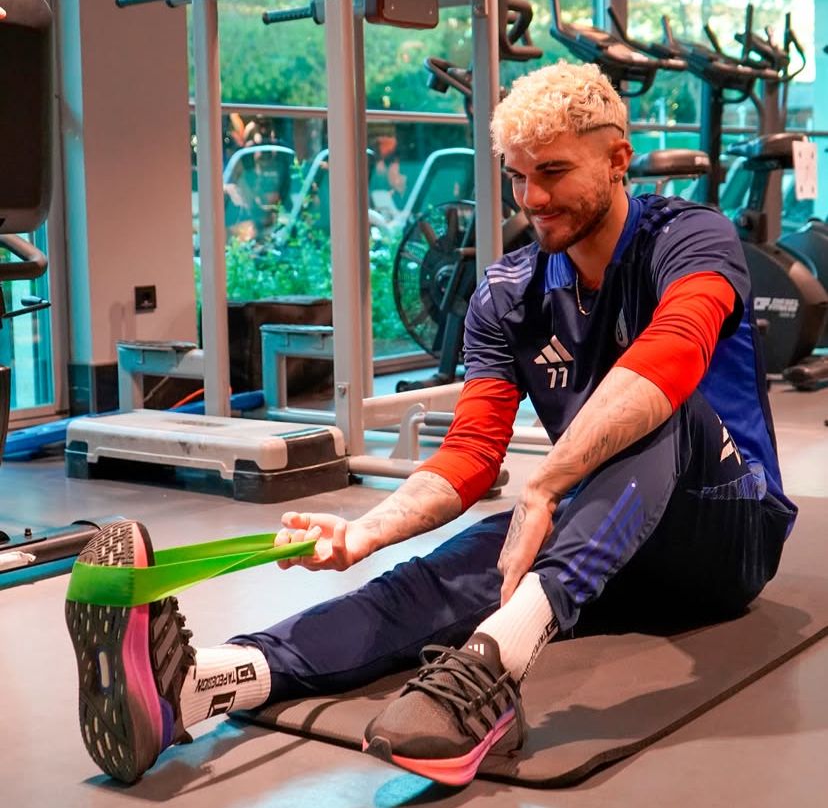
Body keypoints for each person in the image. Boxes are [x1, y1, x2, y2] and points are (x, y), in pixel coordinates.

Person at [66, 61, 796, 787]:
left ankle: (495, 663)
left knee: (654, 407)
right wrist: (364, 532)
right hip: (608, 533)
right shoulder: (509, 293)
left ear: (617, 159)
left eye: (553, 171)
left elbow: (672, 354)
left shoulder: (691, 237)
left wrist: (544, 486)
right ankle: (203, 684)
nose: (532, 197)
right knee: (430, 580)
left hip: (726, 529)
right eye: (517, 176)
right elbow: (470, 454)